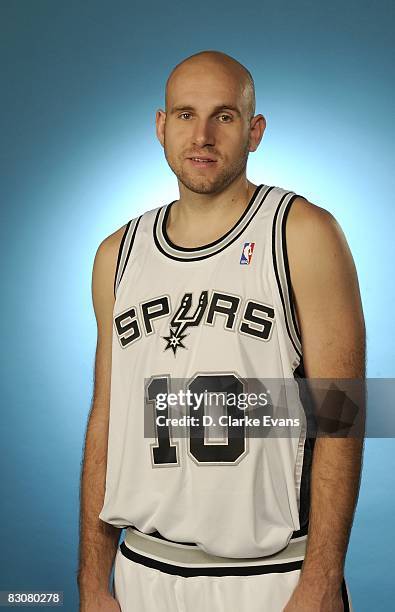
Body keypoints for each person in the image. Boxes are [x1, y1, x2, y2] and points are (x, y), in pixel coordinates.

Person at [77, 49, 366, 612]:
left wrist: (323, 579)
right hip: (142, 569)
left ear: (254, 131)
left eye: (224, 116)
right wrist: (93, 578)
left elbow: (342, 412)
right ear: (161, 127)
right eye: (185, 115)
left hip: (274, 576)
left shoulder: (303, 233)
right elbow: (107, 416)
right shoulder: (118, 254)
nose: (202, 135)